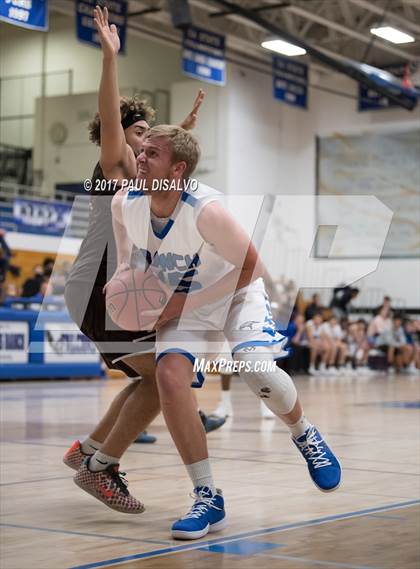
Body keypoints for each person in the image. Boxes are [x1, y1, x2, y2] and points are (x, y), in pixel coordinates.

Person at [74, 122, 341, 541]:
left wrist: (181, 304)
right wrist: (125, 280)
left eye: (151, 154)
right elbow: (128, 256)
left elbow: (254, 267)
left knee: (255, 370)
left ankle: (303, 433)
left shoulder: (206, 211)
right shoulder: (126, 201)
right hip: (183, 296)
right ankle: (206, 496)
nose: (139, 158)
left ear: (177, 170)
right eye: (141, 151)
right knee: (167, 378)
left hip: (235, 290)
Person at [63, 5, 221, 500]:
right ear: (122, 140)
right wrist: (110, 58)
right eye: (141, 136)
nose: (147, 143)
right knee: (166, 379)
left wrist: (183, 128)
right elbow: (114, 120)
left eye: (152, 140)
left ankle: (87, 450)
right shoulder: (114, 166)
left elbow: (144, 138)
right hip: (98, 290)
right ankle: (99, 466)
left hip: (110, 290)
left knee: (159, 373)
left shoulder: (143, 175)